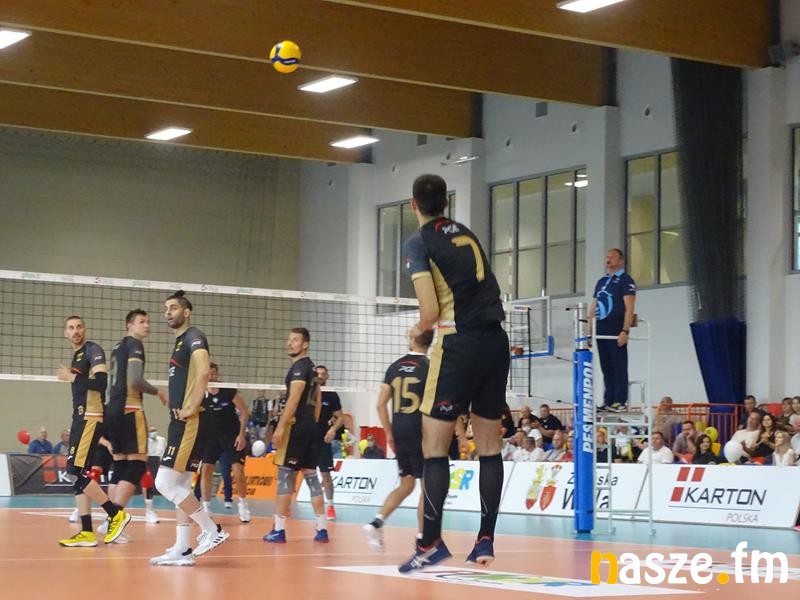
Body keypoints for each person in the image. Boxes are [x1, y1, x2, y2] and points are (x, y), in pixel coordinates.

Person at [398, 174, 509, 572]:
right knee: (489, 448)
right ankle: (485, 541)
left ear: (414, 204)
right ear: (445, 202)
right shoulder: (465, 232)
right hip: (496, 343)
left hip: (457, 345)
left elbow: (430, 311)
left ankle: (430, 543)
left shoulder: (418, 242)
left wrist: (419, 329)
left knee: (434, 448)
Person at [150, 291, 228, 566]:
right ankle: (183, 549)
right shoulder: (180, 342)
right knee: (182, 485)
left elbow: (205, 371)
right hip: (182, 421)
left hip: (190, 421)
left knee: (164, 483)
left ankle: (212, 530)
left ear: (186, 312)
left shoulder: (194, 336)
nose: (168, 312)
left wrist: (192, 407)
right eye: (166, 308)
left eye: (173, 308)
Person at [56, 316, 131, 547]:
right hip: (80, 417)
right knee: (78, 474)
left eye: (79, 327)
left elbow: (100, 383)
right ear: (65, 333)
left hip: (91, 416)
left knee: (74, 471)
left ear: (85, 329)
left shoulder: (92, 350)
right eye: (71, 328)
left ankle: (115, 514)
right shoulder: (77, 355)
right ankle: (87, 532)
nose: (76, 331)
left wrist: (71, 377)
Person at [364, 328, 432, 551]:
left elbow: (380, 404)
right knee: (427, 488)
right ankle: (423, 540)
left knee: (406, 484)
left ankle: (377, 522)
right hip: (421, 431)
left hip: (400, 429)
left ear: (412, 339)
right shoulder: (430, 367)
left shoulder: (394, 367)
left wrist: (389, 432)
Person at [263, 328, 328, 544]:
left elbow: (294, 398)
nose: (290, 343)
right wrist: (312, 424)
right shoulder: (313, 369)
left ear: (305, 344)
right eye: (289, 339)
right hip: (311, 428)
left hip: (296, 428)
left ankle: (278, 529)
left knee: (285, 476)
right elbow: (318, 401)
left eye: (295, 340)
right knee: (311, 476)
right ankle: (322, 529)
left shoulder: (299, 368)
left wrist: (281, 427)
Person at [104, 309, 166, 536]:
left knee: (120, 465)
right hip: (129, 408)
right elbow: (135, 380)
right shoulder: (134, 345)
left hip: (112, 408)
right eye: (142, 322)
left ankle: (108, 521)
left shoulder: (117, 347)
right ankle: (116, 518)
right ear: (129, 325)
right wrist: (159, 392)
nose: (147, 325)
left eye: (148, 321)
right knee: (138, 464)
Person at [199, 363, 251, 523]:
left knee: (238, 471)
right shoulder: (200, 392)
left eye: (214, 373)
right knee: (206, 470)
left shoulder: (228, 391)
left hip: (231, 436)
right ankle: (206, 508)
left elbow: (244, 412)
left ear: (217, 375)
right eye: (208, 374)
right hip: (211, 438)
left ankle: (243, 505)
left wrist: (241, 435)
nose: (211, 376)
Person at [590, 248, 636, 412]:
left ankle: (620, 400)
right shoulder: (601, 281)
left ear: (620, 261)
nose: (608, 260)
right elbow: (593, 306)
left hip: (615, 327)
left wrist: (625, 330)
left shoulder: (625, 280)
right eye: (607, 257)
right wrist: (589, 331)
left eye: (612, 257)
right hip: (600, 327)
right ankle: (608, 400)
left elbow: (629, 308)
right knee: (606, 366)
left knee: (618, 365)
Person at [315, 365, 345, 521]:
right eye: (317, 374)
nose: (320, 376)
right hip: (306, 438)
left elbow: (341, 417)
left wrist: (332, 429)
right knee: (294, 471)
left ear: (327, 376)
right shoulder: (306, 392)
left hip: (323, 439)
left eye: (323, 374)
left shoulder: (331, 395)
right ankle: (286, 507)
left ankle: (330, 506)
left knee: (326, 474)